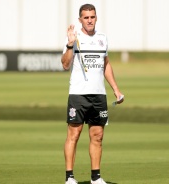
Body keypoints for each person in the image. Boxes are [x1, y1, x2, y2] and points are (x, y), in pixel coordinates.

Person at [61, 4, 124, 184]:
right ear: (80, 19)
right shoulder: (74, 37)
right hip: (78, 95)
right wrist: (69, 44)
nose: (89, 20)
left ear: (96, 18)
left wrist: (115, 89)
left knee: (97, 136)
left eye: (92, 17)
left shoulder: (102, 38)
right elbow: (65, 64)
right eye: (86, 17)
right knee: (74, 134)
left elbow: (106, 64)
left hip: (99, 96)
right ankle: (69, 177)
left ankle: (96, 177)